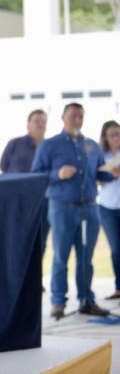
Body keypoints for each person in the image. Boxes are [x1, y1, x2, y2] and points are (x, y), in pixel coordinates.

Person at [32, 103, 119, 319]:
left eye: (81, 116)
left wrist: (113, 173)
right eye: (73, 116)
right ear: (63, 117)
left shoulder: (91, 146)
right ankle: (58, 303)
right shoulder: (50, 145)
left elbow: (100, 175)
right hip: (62, 209)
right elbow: (36, 175)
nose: (77, 120)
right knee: (61, 257)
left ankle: (86, 300)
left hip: (90, 209)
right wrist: (57, 174)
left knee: (86, 259)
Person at [0, 109, 50, 268]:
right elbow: (3, 166)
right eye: (37, 121)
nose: (40, 124)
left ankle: (35, 281)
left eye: (43, 121)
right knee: (16, 240)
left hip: (43, 201)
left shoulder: (50, 147)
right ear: (28, 125)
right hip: (17, 200)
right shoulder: (15, 143)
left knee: (40, 242)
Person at [98, 120, 120, 300]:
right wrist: (105, 177)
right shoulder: (100, 156)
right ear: (105, 137)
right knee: (116, 249)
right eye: (112, 135)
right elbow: (94, 179)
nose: (115, 138)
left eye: (118, 134)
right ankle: (119, 288)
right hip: (107, 207)